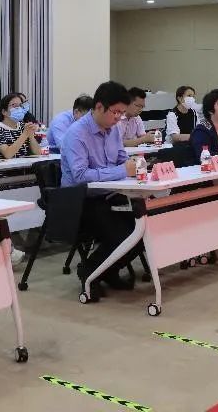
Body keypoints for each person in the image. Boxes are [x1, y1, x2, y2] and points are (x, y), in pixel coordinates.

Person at [60, 81, 139, 296]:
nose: (118, 118)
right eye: (115, 112)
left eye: (122, 113)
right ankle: (90, 271)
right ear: (98, 107)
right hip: (79, 200)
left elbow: (121, 159)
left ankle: (108, 271)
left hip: (109, 194)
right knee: (123, 232)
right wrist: (122, 170)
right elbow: (80, 177)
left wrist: (135, 165)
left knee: (143, 228)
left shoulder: (113, 130)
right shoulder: (77, 134)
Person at [0, 94, 41, 159]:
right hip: (4, 165)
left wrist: (31, 136)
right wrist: (25, 134)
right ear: (4, 112)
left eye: (20, 105)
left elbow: (38, 153)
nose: (19, 108)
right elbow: (8, 154)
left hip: (23, 164)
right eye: (14, 105)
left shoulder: (22, 126)